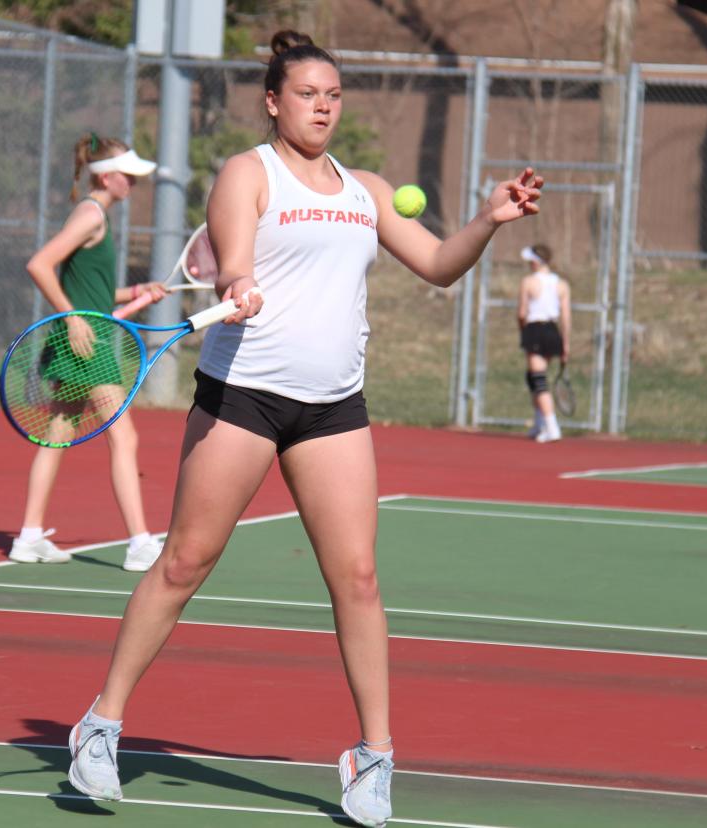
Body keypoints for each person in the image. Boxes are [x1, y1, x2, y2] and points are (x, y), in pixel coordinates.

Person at [65, 32, 542, 827]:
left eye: (334, 94)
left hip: (333, 409)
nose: (323, 105)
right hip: (243, 396)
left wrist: (489, 220)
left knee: (357, 580)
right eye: (308, 93)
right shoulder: (248, 172)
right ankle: (100, 725)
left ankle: (374, 756)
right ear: (274, 101)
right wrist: (243, 285)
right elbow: (235, 256)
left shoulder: (368, 190)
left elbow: (437, 264)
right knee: (185, 561)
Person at [9, 134, 171, 572]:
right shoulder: (91, 215)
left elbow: (94, 293)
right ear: (108, 176)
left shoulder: (98, 216)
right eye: (129, 177)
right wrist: (72, 319)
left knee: (58, 433)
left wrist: (136, 291)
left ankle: (27, 536)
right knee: (124, 437)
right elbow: (40, 264)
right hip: (86, 345)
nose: (134, 185)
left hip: (85, 337)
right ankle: (140, 544)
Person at [517, 243, 570, 443]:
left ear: (536, 261)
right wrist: (565, 343)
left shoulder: (528, 282)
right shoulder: (562, 284)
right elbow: (566, 317)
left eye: (531, 260)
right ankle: (539, 423)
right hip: (552, 331)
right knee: (532, 377)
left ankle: (552, 426)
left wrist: (523, 329)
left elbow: (522, 312)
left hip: (536, 330)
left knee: (538, 379)